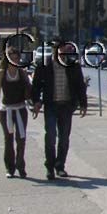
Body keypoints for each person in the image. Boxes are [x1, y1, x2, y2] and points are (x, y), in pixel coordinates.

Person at [30, 39, 88, 180]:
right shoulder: (44, 65)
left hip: (66, 106)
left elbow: (80, 85)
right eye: (57, 49)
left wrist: (83, 104)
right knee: (50, 137)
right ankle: (49, 167)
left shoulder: (72, 65)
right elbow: (36, 85)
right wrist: (36, 102)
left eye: (62, 49)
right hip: (51, 105)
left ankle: (60, 166)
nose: (60, 52)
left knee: (64, 138)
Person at [0, 46, 31, 178]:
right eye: (12, 59)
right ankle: (10, 168)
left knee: (21, 139)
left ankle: (20, 166)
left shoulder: (22, 72)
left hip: (20, 109)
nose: (15, 61)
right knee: (8, 140)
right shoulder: (1, 73)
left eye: (17, 58)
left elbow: (28, 89)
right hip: (6, 110)